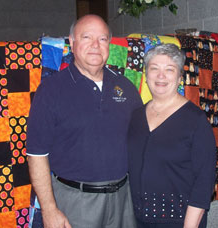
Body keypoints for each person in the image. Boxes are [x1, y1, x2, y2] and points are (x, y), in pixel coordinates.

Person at [26, 14, 142, 228]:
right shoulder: (51, 90)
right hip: (75, 203)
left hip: (123, 201)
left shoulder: (125, 87)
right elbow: (36, 154)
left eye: (103, 39)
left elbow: (143, 141)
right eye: (87, 37)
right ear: (72, 42)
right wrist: (49, 210)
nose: (95, 45)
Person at [128, 44, 216, 228]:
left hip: (180, 221)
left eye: (169, 69)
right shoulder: (136, 116)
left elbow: (204, 182)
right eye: (154, 69)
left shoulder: (196, 120)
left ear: (179, 78)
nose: (161, 76)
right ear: (146, 75)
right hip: (138, 220)